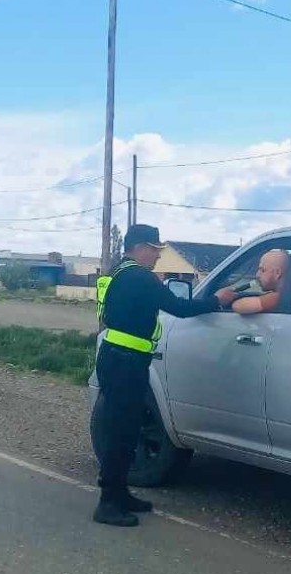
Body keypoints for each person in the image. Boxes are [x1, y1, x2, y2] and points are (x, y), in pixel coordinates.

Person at [94, 223, 229, 527]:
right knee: (121, 432)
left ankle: (120, 493)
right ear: (141, 248)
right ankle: (108, 502)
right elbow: (179, 308)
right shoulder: (140, 277)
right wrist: (217, 300)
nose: (157, 258)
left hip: (120, 359)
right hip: (125, 362)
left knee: (126, 429)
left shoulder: (120, 273)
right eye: (155, 251)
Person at [219, 249, 291, 315]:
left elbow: (239, 306)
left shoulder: (276, 298)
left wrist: (229, 298)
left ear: (277, 273)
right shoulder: (288, 294)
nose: (257, 274)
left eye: (262, 270)